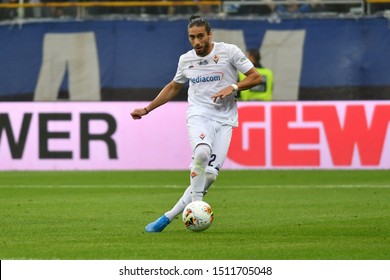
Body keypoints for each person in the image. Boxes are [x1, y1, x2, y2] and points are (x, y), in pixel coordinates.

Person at [130, 15, 262, 233]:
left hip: (225, 119)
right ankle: (197, 207)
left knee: (208, 176)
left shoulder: (229, 52)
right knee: (201, 154)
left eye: (201, 36)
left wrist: (234, 87)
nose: (197, 42)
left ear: (210, 35)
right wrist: (147, 109)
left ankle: (168, 217)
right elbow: (174, 87)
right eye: (192, 37)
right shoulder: (186, 60)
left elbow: (256, 77)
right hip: (199, 115)